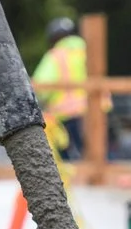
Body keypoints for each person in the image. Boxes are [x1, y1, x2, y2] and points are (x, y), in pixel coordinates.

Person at [32, 16, 106, 159]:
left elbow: (42, 87)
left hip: (69, 115)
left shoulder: (56, 55)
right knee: (100, 158)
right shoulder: (90, 51)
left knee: (73, 161)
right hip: (100, 111)